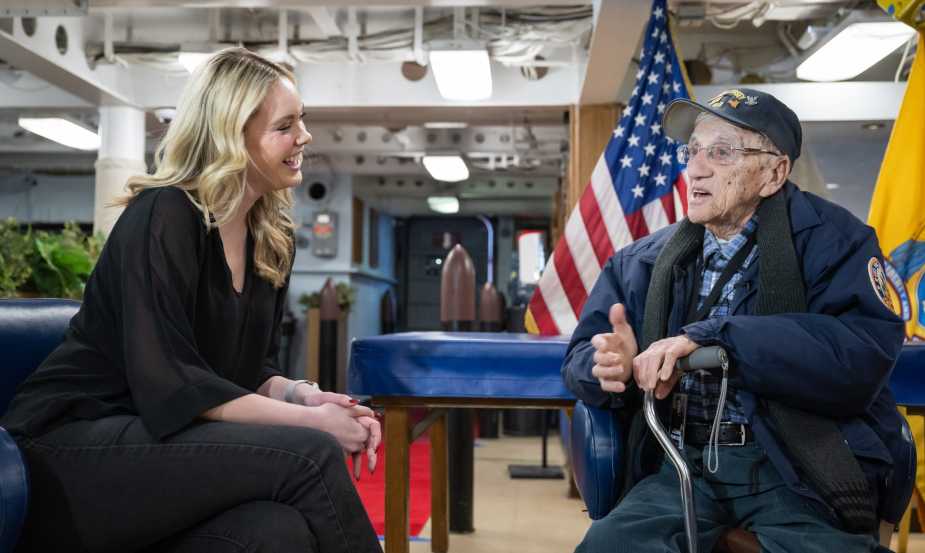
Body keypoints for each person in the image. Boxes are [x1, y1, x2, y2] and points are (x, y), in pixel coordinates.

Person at [1, 47, 383, 553]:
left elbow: (250, 370)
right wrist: (314, 424)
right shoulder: (164, 214)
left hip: (157, 443)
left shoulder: (271, 237)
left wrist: (301, 396)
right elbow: (170, 381)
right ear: (231, 134)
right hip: (69, 452)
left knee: (275, 530)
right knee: (310, 454)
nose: (304, 136)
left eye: (302, 120)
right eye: (285, 125)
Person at [562, 88, 908, 553]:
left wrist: (718, 339)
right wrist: (607, 368)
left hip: (794, 465)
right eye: (693, 151)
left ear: (773, 173)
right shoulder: (641, 262)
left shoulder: (837, 243)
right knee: (608, 545)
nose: (696, 168)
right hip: (679, 462)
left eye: (721, 152)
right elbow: (580, 357)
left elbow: (858, 356)